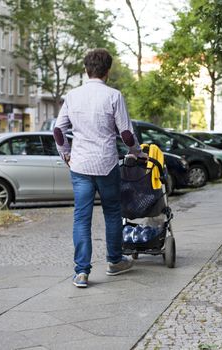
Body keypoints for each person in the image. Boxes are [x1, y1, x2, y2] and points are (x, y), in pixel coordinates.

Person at [53, 48, 144, 288]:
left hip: (80, 165)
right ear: (108, 71)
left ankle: (82, 272)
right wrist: (137, 153)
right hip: (106, 164)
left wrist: (66, 154)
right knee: (112, 212)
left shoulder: (72, 96)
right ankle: (114, 261)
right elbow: (125, 133)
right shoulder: (114, 96)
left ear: (86, 69)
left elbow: (58, 130)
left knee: (81, 218)